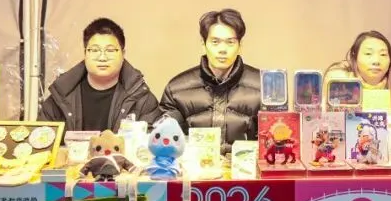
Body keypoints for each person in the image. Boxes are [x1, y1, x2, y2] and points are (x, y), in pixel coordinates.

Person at [159, 9, 261, 153]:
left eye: (230, 42)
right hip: (194, 167)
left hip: (245, 167)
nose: (222, 49)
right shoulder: (176, 90)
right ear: (203, 44)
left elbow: (273, 143)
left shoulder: (263, 87)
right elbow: (165, 144)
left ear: (240, 46)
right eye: (215, 42)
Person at [39, 18, 160, 131]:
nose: (102, 57)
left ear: (123, 54)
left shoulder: (141, 99)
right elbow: (41, 140)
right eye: (95, 50)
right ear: (85, 53)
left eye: (110, 50)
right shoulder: (61, 96)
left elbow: (152, 142)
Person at [324, 30, 391, 110]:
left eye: (383, 55)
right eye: (368, 54)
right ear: (355, 57)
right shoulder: (339, 85)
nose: (376, 61)